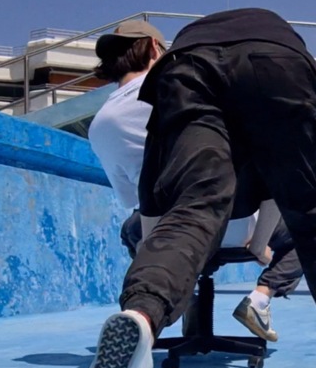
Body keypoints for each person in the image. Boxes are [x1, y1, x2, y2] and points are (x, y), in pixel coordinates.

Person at [76, 8, 316, 368]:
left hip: (187, 65)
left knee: (192, 209)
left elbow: (151, 204)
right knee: (311, 220)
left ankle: (140, 323)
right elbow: (274, 198)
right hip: (273, 56)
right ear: (151, 47)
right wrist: (260, 244)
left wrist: (148, 297)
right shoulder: (258, 31)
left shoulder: (110, 116)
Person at [87, 20, 301, 343]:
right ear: (156, 49)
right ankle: (260, 298)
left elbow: (134, 199)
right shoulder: (193, 85)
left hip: (163, 233)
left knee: (130, 230)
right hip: (237, 221)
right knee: (310, 229)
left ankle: (171, 299)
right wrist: (260, 241)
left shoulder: (100, 127)